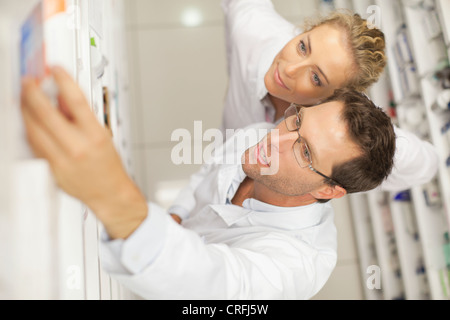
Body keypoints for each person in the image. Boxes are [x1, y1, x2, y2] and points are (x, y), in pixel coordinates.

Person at [21, 67, 396, 299]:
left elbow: (217, 284)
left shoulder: (297, 265)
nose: (274, 139)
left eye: (304, 152)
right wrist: (178, 215)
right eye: (296, 121)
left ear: (328, 190)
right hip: (139, 247)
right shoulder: (260, 136)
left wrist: (117, 198)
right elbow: (204, 179)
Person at [221, 0, 438, 191]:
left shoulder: (340, 125)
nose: (290, 70)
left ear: (336, 97)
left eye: (316, 78)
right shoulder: (254, 31)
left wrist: (374, 140)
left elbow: (427, 164)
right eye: (303, 47)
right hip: (220, 162)